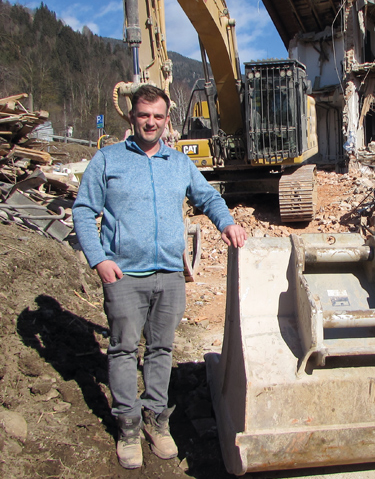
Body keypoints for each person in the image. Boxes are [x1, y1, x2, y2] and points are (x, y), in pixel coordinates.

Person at [73, 85, 247, 469]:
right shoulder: (108, 160)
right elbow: (84, 211)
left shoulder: (179, 162)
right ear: (132, 117)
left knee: (161, 351)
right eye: (143, 115)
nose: (150, 122)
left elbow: (209, 198)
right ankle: (128, 428)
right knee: (121, 350)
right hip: (124, 276)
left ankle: (156, 420)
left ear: (167, 120)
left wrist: (227, 223)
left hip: (169, 275)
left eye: (157, 115)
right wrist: (99, 260)